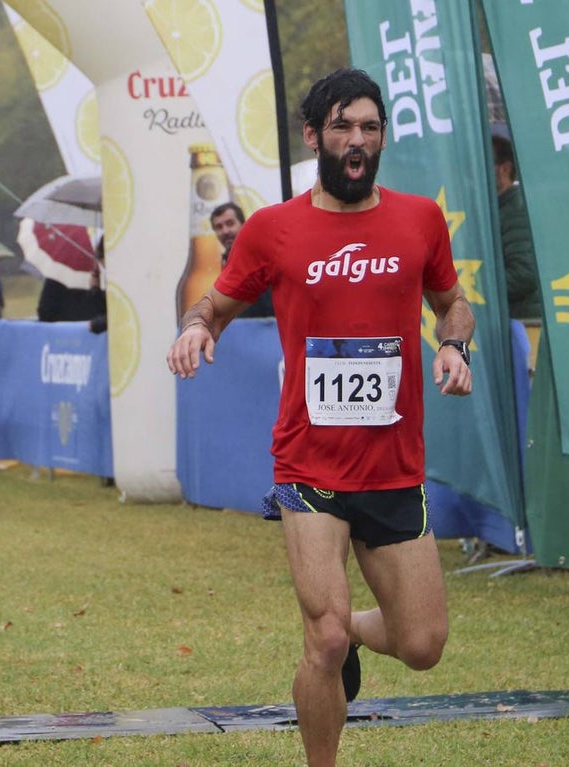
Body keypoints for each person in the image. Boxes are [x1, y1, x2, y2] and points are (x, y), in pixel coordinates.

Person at [167, 68, 474, 767]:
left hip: (394, 464)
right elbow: (212, 305)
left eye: (370, 126)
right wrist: (194, 329)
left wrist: (455, 343)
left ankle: (365, 633)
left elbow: (452, 301)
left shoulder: (419, 217)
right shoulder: (274, 229)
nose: (358, 139)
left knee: (423, 644)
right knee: (323, 636)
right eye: (343, 126)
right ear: (314, 136)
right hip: (310, 465)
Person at [491, 124, 542, 323]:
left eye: (487, 161)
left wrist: (483, 289)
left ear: (505, 168)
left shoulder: (516, 209)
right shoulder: (499, 208)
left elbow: (524, 274)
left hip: (522, 323)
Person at [210, 202, 273, 318]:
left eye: (230, 223)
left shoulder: (262, 256)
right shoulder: (222, 264)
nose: (225, 231)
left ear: (243, 224)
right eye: (219, 227)